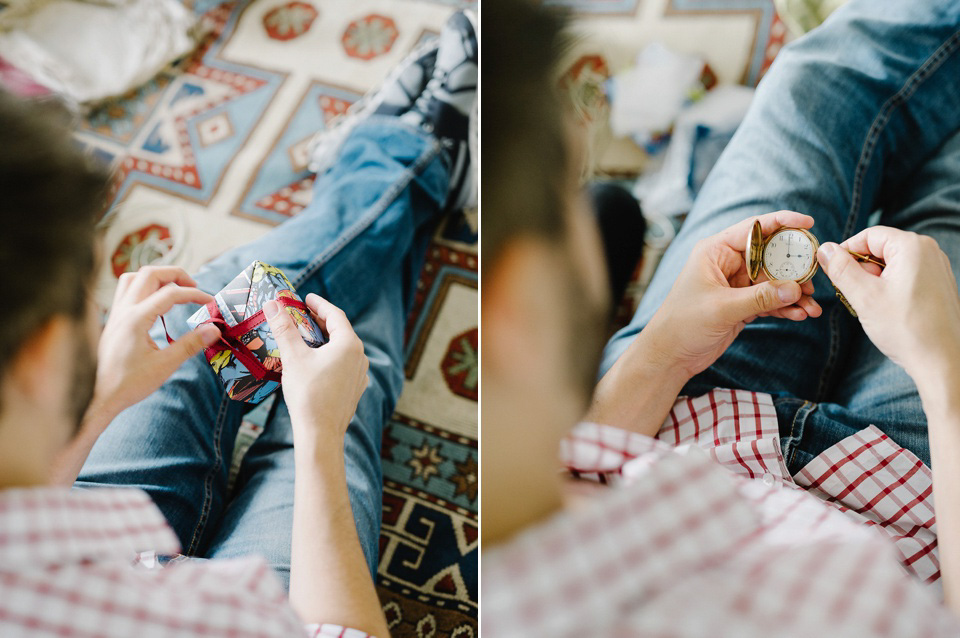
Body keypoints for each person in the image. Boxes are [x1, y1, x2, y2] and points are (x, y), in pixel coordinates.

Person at [482, 0, 960, 635]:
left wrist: (665, 350)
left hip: (688, 402)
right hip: (912, 499)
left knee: (807, 85)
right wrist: (943, 370)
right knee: (946, 195)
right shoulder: (868, 613)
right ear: (520, 300)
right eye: (566, 206)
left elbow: (571, 459)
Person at [0, 10, 476, 637]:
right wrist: (319, 437)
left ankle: (400, 160)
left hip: (79, 527)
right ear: (41, 355)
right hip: (267, 619)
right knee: (348, 385)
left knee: (197, 311)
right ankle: (409, 155)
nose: (103, 314)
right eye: (90, 301)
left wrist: (103, 400)